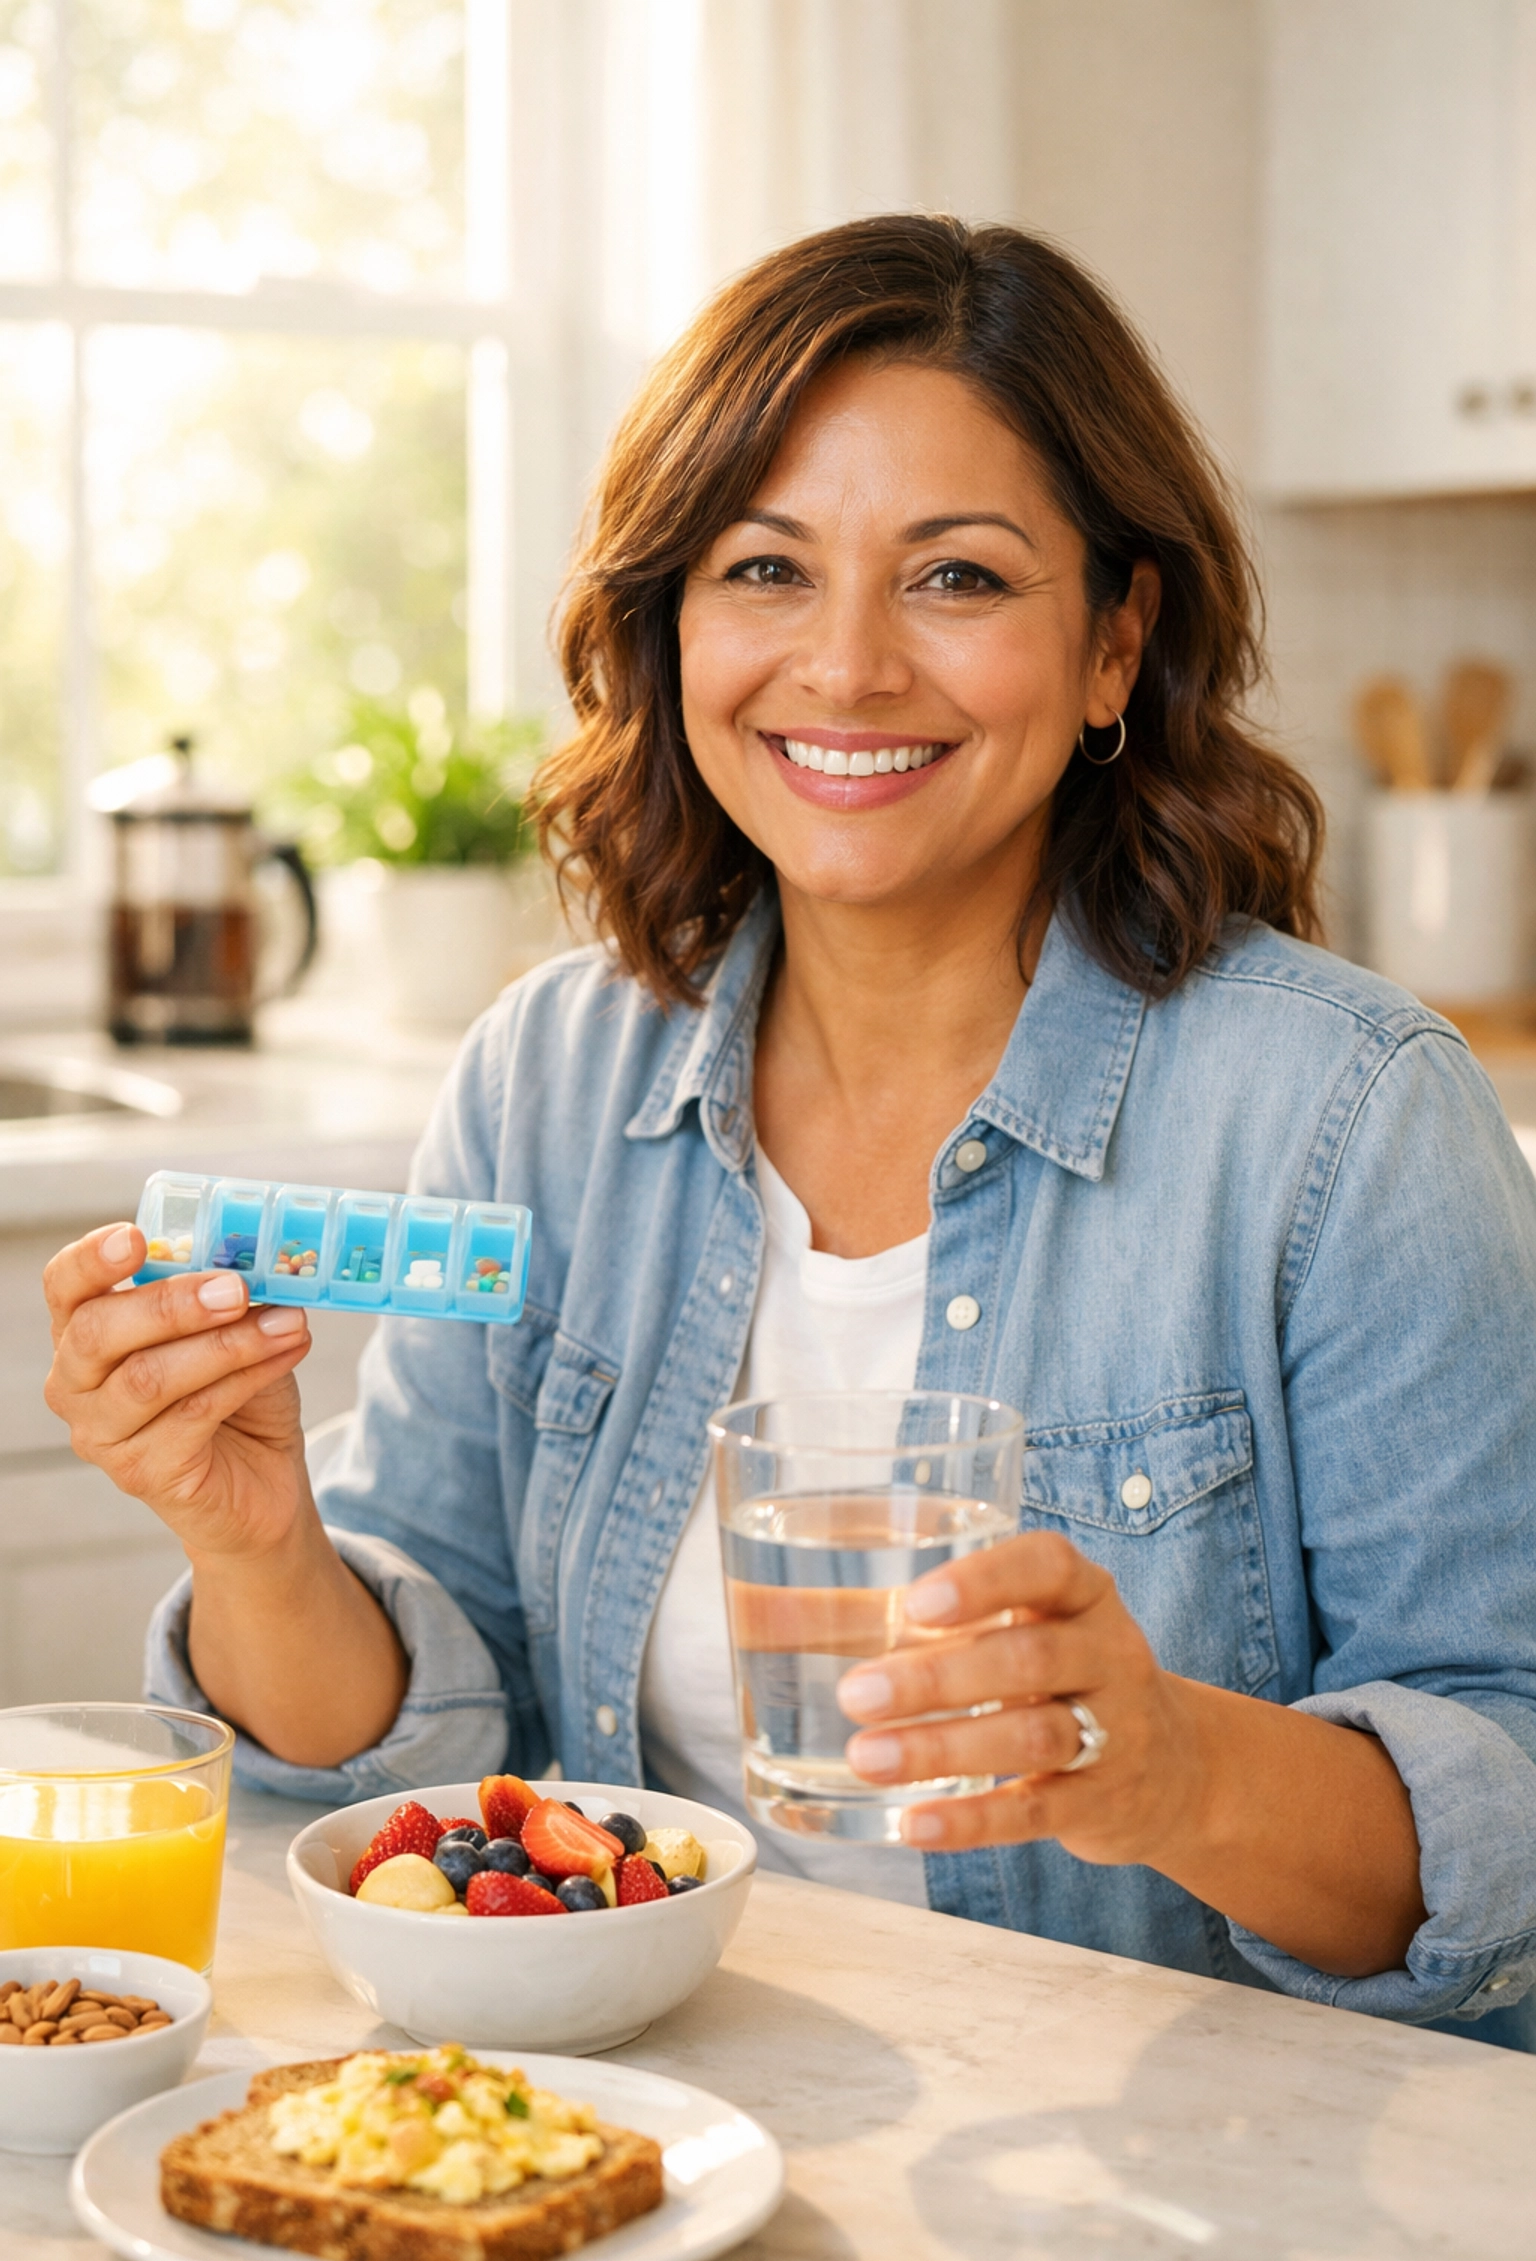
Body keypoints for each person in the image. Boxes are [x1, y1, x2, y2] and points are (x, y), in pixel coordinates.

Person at [44, 216, 1536, 2048]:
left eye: (958, 578)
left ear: (1113, 644)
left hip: (1183, 2159)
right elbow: (420, 1771)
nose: (845, 666)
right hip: (663, 2118)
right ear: (672, 624)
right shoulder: (550, 1082)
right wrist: (258, 1543)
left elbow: (1511, 1807)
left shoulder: (1344, 1120)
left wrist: (1173, 1769)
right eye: (765, 567)